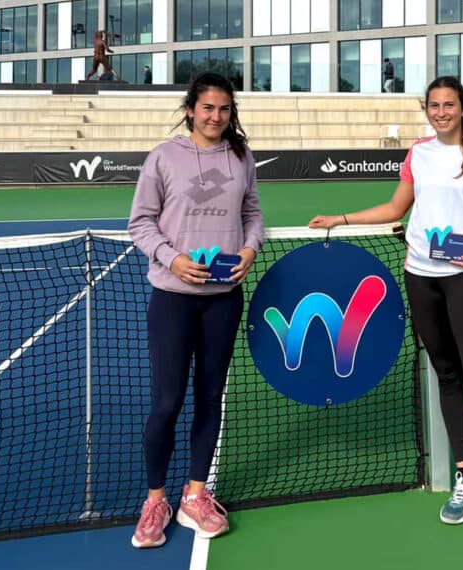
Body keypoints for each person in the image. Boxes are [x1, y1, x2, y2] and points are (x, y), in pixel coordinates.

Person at [308, 76, 463, 535]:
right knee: (447, 375)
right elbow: (394, 209)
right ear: (426, 110)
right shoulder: (418, 154)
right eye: (434, 105)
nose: (441, 112)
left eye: (449, 104)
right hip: (421, 276)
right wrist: (340, 219)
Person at [127, 71, 263, 548]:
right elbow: (140, 223)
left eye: (224, 109)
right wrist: (174, 260)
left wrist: (249, 250)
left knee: (210, 399)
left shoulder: (241, 156)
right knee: (167, 403)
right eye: (207, 108)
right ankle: (156, 499)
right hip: (173, 299)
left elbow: (252, 214)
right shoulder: (163, 157)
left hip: (223, 300)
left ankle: (196, 494)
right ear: (190, 109)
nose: (216, 117)